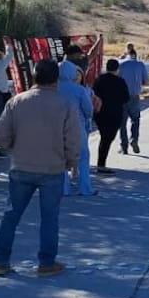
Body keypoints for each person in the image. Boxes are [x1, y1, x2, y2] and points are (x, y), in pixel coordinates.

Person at [0, 58, 81, 277]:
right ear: (56, 79)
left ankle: (1, 262)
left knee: (11, 215)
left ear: (34, 76)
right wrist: (73, 162)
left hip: (21, 166)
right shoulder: (65, 104)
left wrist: (14, 148)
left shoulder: (17, 101)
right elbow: (73, 138)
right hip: (52, 168)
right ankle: (46, 262)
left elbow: (0, 134)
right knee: (49, 218)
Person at [58, 60, 96, 196]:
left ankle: (63, 188)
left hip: (57, 128)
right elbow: (88, 110)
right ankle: (85, 188)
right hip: (77, 127)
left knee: (60, 159)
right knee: (83, 158)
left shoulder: (52, 89)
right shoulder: (79, 90)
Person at [91, 59, 130, 174]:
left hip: (101, 113)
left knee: (104, 137)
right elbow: (126, 98)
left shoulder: (99, 80)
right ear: (117, 69)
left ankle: (101, 163)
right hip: (115, 113)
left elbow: (94, 95)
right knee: (108, 138)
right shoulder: (120, 81)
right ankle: (101, 164)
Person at [118, 43, 149, 154]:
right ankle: (134, 139)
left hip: (121, 97)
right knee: (135, 120)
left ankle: (124, 146)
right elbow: (146, 82)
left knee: (122, 123)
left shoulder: (120, 64)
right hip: (135, 96)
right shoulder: (140, 65)